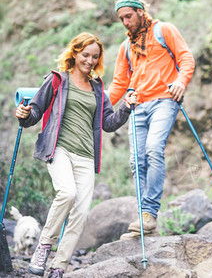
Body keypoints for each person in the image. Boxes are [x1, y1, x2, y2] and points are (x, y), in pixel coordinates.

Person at [15, 32, 137, 278]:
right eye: (85, 55)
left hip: (86, 157)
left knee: (80, 214)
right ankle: (44, 246)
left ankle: (60, 266)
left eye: (95, 57)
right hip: (59, 149)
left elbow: (108, 123)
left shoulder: (97, 88)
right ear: (74, 53)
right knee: (67, 193)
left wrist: (125, 106)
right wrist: (24, 115)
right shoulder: (57, 80)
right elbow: (35, 112)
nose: (90, 61)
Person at [108, 0, 195, 239]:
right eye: (121, 18)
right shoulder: (126, 47)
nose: (125, 22)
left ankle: (149, 214)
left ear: (140, 11)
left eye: (128, 16)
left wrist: (181, 81)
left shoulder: (163, 30)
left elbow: (185, 58)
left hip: (164, 100)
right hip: (136, 105)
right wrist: (93, 102)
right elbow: (118, 84)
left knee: (154, 149)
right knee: (136, 160)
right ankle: (143, 219)